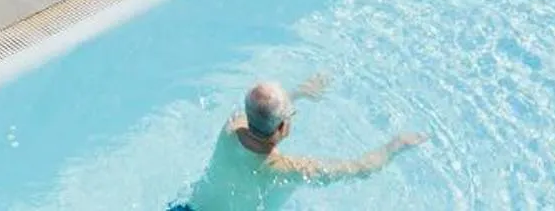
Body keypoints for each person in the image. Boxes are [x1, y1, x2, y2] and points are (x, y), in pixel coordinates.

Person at [172, 72, 422, 210]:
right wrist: (396, 145)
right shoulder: (285, 169)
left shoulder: (229, 130)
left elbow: (260, 111)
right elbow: (361, 169)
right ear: (283, 126)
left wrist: (296, 94)